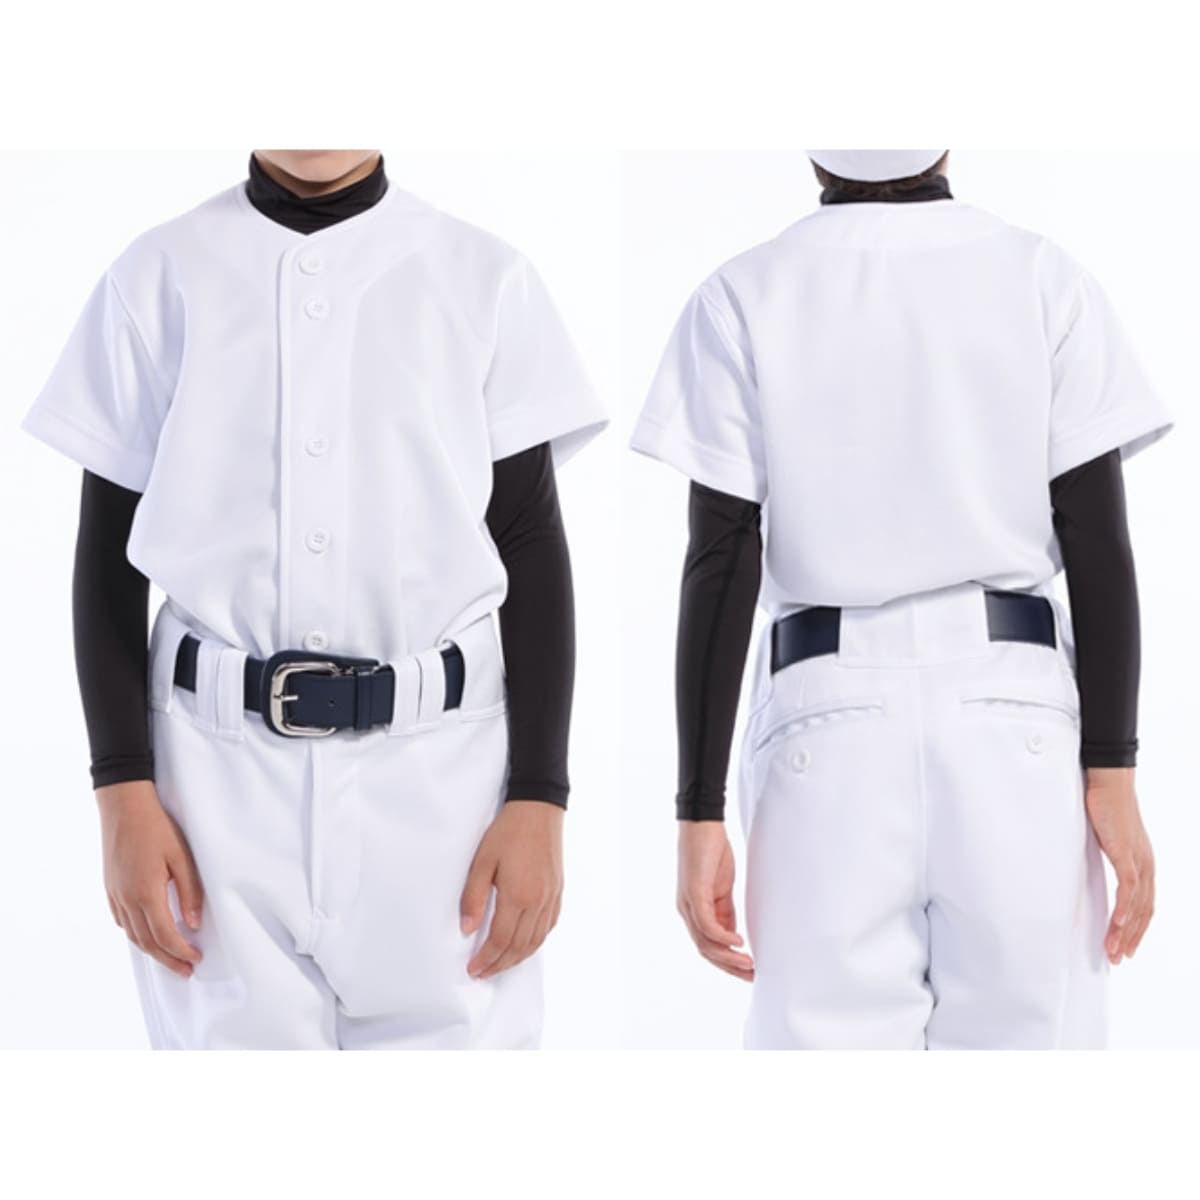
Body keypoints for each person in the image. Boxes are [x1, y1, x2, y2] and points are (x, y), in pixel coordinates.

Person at [22, 150, 607, 1049]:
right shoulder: (159, 273)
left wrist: (540, 794)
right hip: (212, 787)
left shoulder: (481, 275)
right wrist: (121, 791)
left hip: (441, 787)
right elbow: (108, 556)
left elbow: (529, 543)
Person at [631, 149, 1174, 1049]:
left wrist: (698, 809)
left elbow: (720, 562)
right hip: (1013, 711)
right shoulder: (1040, 276)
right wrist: (1112, 771)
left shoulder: (744, 293)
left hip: (825, 714)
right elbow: (1097, 542)